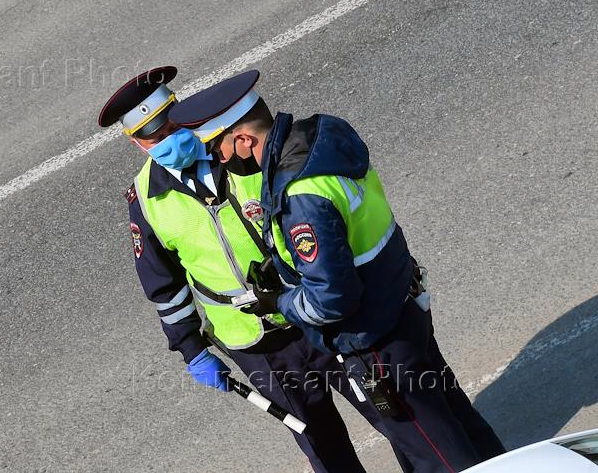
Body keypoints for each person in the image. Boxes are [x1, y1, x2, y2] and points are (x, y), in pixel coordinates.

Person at [174, 68, 506, 473]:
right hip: (403, 306)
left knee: (434, 454)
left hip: (375, 342)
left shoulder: (299, 194)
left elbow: (331, 298)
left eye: (218, 147)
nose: (218, 159)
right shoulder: (320, 141)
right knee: (461, 424)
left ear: (243, 139)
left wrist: (280, 301)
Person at [100, 66, 410, 473]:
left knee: (392, 413)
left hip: (313, 316)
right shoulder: (145, 200)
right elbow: (164, 286)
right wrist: (192, 350)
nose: (171, 139)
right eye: (157, 138)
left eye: (173, 126)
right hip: (255, 346)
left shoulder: (234, 149)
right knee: (321, 445)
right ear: (138, 144)